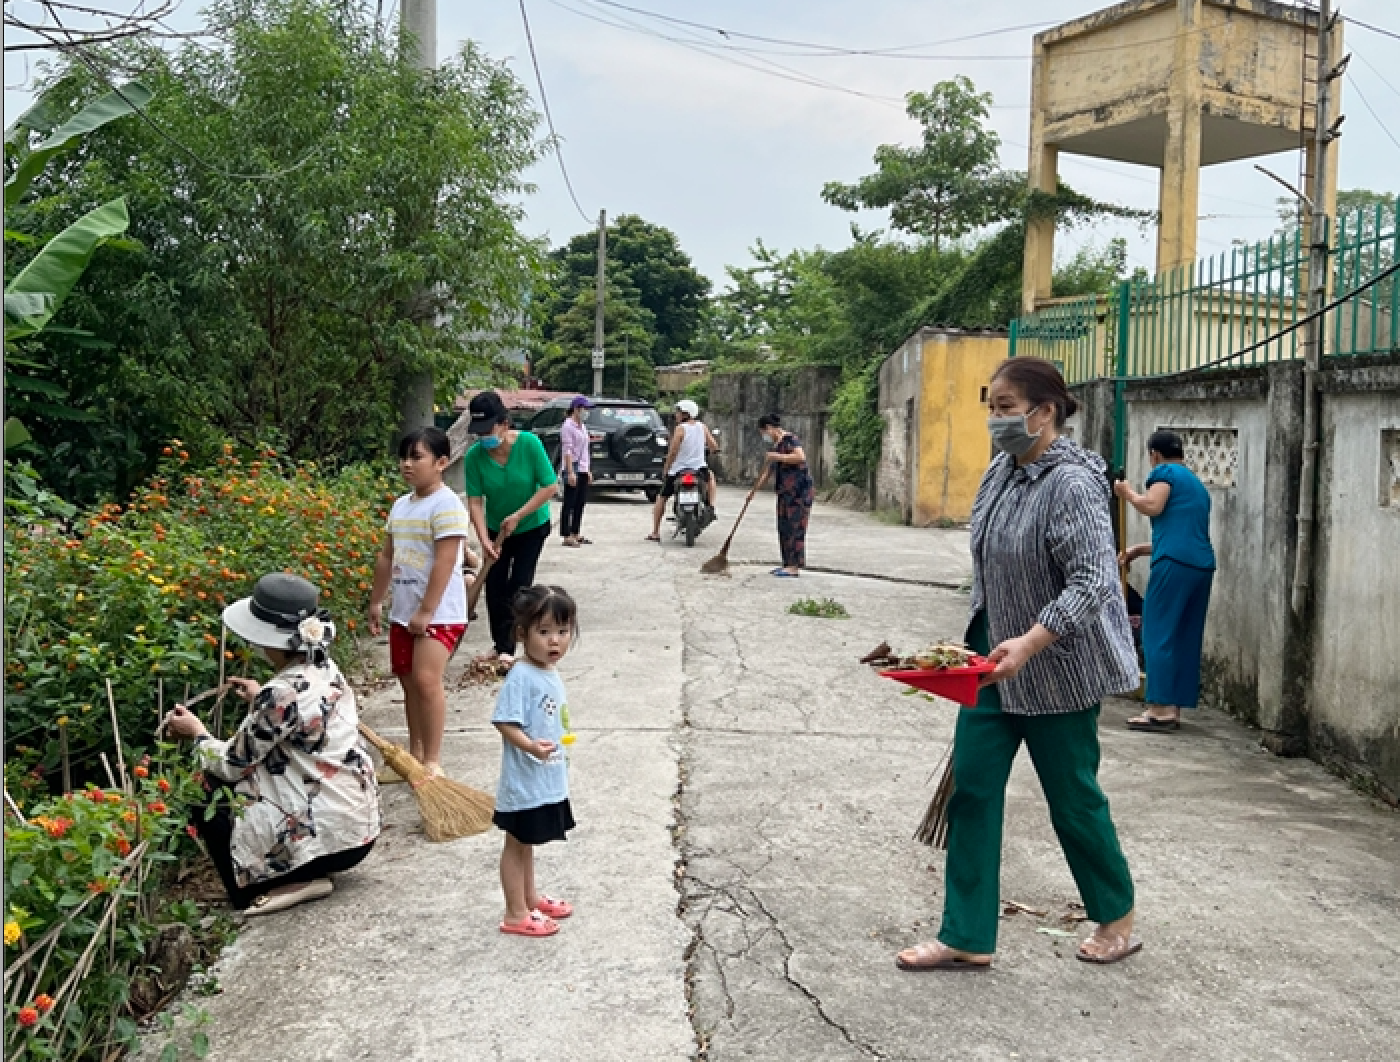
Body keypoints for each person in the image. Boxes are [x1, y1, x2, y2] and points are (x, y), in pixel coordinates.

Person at [896, 358, 1142, 972]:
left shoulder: (1073, 485)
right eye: (993, 408)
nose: (996, 420)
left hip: (1058, 666)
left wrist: (1031, 642)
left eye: (1006, 408)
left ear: (1046, 412)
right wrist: (958, 652)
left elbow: (1092, 579)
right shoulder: (1002, 473)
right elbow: (986, 559)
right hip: (988, 664)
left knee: (1073, 798)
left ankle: (1116, 915)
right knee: (972, 792)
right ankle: (966, 934)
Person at [164, 574, 380, 915]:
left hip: (326, 838)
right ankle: (304, 869)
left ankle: (261, 887)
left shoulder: (280, 694)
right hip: (358, 832)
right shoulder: (325, 668)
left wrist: (197, 733)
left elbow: (231, 765)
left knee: (204, 786)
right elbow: (302, 719)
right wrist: (259, 699)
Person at [368, 426, 471, 780]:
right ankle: (413, 756)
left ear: (441, 462)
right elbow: (387, 557)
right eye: (404, 457)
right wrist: (377, 601)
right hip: (403, 611)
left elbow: (445, 561)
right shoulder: (401, 505)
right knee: (409, 683)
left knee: (427, 681)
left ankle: (433, 760)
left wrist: (426, 610)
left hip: (440, 613)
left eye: (417, 457)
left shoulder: (448, 505)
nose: (407, 464)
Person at [491, 585, 579, 938]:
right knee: (516, 842)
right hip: (525, 780)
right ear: (522, 633)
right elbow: (503, 721)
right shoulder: (522, 676)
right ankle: (515, 913)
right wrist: (530, 747)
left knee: (525, 842)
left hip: (544, 776)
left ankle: (529, 899)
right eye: (543, 632)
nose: (554, 641)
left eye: (562, 631)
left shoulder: (546, 670)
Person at [1114, 429, 1216, 732]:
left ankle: (1158, 709)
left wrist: (1127, 493)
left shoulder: (1164, 472)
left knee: (1157, 631)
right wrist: (1138, 550)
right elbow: (1181, 533)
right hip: (1200, 565)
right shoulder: (1196, 485)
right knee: (1184, 635)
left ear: (1154, 455)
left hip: (1173, 564)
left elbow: (1152, 506)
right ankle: (1174, 708)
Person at [462, 390, 558, 665]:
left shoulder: (529, 444)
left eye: (488, 430)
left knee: (519, 585)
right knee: (495, 585)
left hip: (531, 525)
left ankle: (518, 643)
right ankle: (501, 644)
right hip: (495, 528)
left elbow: (549, 486)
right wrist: (484, 539)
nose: (484, 439)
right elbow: (476, 503)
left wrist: (519, 514)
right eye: (479, 433)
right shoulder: (474, 457)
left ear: (505, 424)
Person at [648, 399, 717, 541]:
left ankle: (655, 532)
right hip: (698, 470)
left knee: (662, 497)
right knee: (710, 477)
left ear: (686, 413)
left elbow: (673, 452)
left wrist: (666, 469)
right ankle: (711, 506)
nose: (676, 414)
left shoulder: (680, 429)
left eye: (678, 412)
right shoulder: (702, 427)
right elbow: (713, 445)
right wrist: (714, 450)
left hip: (678, 470)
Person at [757, 413, 814, 578]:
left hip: (799, 492)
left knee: (796, 528)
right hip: (784, 493)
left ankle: (794, 566)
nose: (764, 437)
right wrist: (754, 491)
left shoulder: (790, 439)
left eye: (763, 433)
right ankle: (787, 563)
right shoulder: (776, 445)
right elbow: (768, 471)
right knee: (784, 527)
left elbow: (800, 457)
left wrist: (778, 456)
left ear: (768, 428)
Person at [559, 395, 594, 548]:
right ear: (576, 409)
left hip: (582, 468)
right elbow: (567, 451)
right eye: (584, 409)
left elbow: (585, 449)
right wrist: (570, 472)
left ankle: (575, 532)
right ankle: (566, 534)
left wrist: (587, 470)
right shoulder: (568, 426)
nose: (586, 412)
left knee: (580, 502)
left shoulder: (582, 426)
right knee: (569, 502)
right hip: (572, 466)